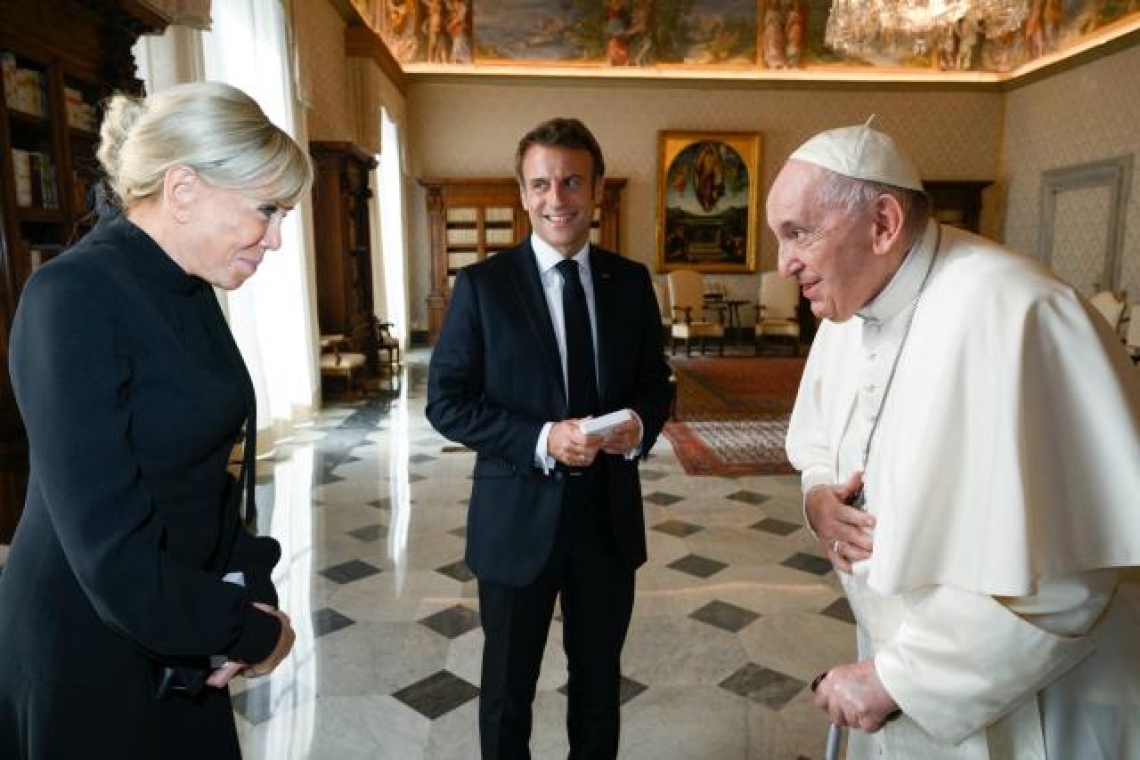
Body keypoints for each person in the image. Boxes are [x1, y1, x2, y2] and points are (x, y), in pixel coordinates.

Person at [772, 121, 1140, 758]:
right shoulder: (847, 306)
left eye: (798, 233)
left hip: (1034, 698)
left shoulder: (1022, 312)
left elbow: (1075, 577)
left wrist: (899, 678)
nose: (784, 264)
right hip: (887, 671)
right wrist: (816, 503)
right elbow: (816, 447)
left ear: (883, 223)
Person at [0, 81, 312, 759]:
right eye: (268, 210)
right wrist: (253, 633)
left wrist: (247, 584)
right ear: (183, 189)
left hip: (180, 624)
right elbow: (111, 554)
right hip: (88, 648)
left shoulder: (189, 284)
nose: (278, 239)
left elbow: (202, 475)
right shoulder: (72, 297)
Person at [426, 117, 673, 758]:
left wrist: (638, 425)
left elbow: (656, 384)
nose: (556, 198)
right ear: (522, 193)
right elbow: (447, 402)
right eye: (540, 184)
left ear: (596, 191)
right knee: (508, 690)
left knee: (597, 688)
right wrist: (541, 437)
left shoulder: (630, 282)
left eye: (570, 182)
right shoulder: (483, 287)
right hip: (515, 521)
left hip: (606, 523)